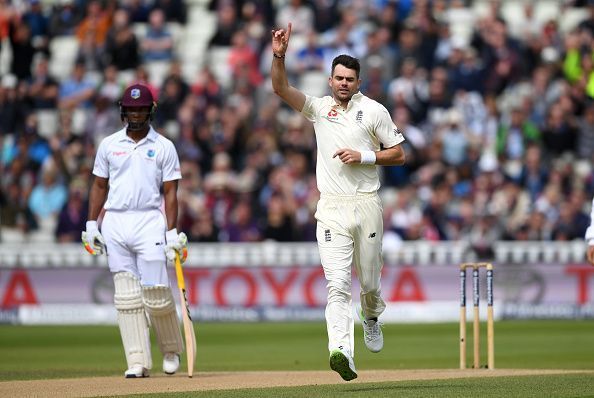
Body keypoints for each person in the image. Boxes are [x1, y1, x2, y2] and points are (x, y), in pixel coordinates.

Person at [270, 23, 406, 381]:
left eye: (350, 78)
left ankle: (371, 316)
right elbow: (280, 88)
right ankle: (341, 349)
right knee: (337, 285)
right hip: (330, 207)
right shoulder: (318, 109)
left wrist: (364, 156)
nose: (344, 83)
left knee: (370, 282)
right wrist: (279, 55)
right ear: (330, 81)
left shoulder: (374, 110)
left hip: (366, 203)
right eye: (339, 78)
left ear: (358, 82)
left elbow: (399, 154)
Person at [81, 83, 188, 378]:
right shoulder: (109, 145)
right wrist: (91, 224)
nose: (136, 114)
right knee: (126, 298)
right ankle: (137, 360)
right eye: (131, 109)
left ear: (151, 110)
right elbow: (99, 186)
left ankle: (170, 350)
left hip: (149, 220)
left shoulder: (164, 146)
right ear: (123, 111)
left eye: (141, 109)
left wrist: (171, 232)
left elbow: (170, 194)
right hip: (115, 221)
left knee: (156, 292)